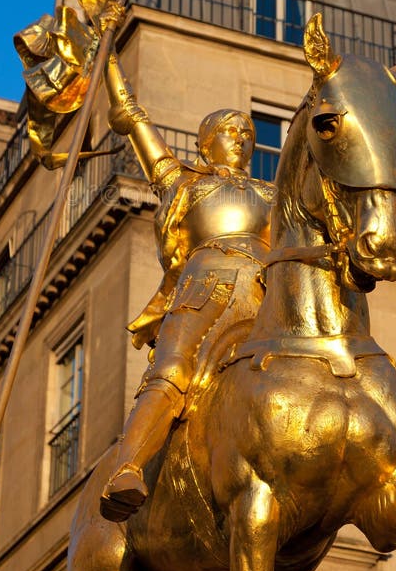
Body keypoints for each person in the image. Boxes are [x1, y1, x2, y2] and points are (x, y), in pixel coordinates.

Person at [100, 53, 276, 522]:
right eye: (230, 130)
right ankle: (128, 468)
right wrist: (108, 58)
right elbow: (131, 117)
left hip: (266, 290)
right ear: (206, 143)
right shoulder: (184, 183)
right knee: (174, 367)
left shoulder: (271, 195)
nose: (241, 138)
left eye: (247, 132)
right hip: (207, 286)